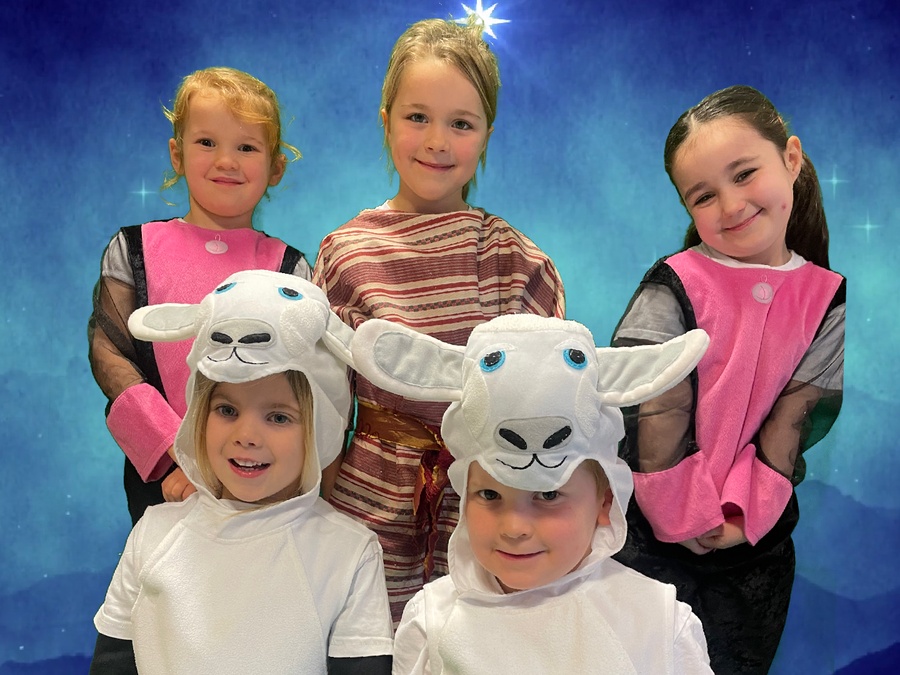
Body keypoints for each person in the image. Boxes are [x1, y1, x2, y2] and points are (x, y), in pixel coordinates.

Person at [313, 18, 565, 623]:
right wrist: (310, 523)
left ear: (486, 135)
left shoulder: (517, 260)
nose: (437, 141)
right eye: (417, 117)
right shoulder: (345, 253)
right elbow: (322, 404)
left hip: (490, 502)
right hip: (367, 500)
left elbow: (550, 408)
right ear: (386, 120)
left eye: (461, 123)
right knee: (367, 642)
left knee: (473, 641)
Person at [610, 85, 846, 674]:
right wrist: (683, 513)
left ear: (790, 158)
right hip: (650, 534)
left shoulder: (825, 295)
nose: (732, 204)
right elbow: (652, 403)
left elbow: (795, 414)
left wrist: (746, 514)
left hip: (753, 547)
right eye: (704, 196)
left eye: (744, 174)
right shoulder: (676, 280)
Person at [346, 313, 713, 674]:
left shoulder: (657, 622)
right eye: (489, 495)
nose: (514, 528)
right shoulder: (433, 618)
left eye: (548, 495)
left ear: (605, 502)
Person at [90, 270, 393, 675]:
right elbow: (112, 663)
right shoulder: (154, 535)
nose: (246, 436)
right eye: (227, 410)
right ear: (199, 415)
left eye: (278, 417)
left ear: (318, 428)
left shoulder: (348, 553)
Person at [88, 66, 312, 525]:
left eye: (246, 148)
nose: (226, 161)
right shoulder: (134, 249)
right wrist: (179, 454)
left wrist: (244, 465)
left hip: (259, 473)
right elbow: (110, 356)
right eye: (207, 142)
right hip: (163, 477)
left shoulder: (290, 270)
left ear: (275, 167)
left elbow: (303, 382)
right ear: (177, 153)